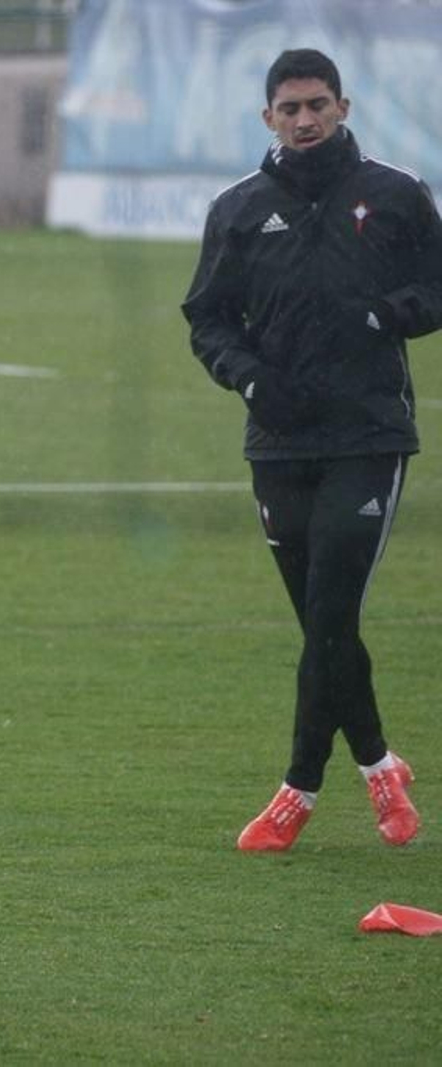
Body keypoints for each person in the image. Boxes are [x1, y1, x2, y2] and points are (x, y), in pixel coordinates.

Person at [183, 49, 442, 852]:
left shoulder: (395, 196)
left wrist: (388, 314)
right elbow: (208, 319)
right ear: (269, 118)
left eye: (318, 105)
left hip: (368, 435)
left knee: (331, 610)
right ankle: (379, 765)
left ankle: (297, 789)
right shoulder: (238, 209)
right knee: (322, 625)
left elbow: (437, 286)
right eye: (290, 108)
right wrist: (252, 380)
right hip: (278, 441)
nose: (305, 119)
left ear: (343, 107)